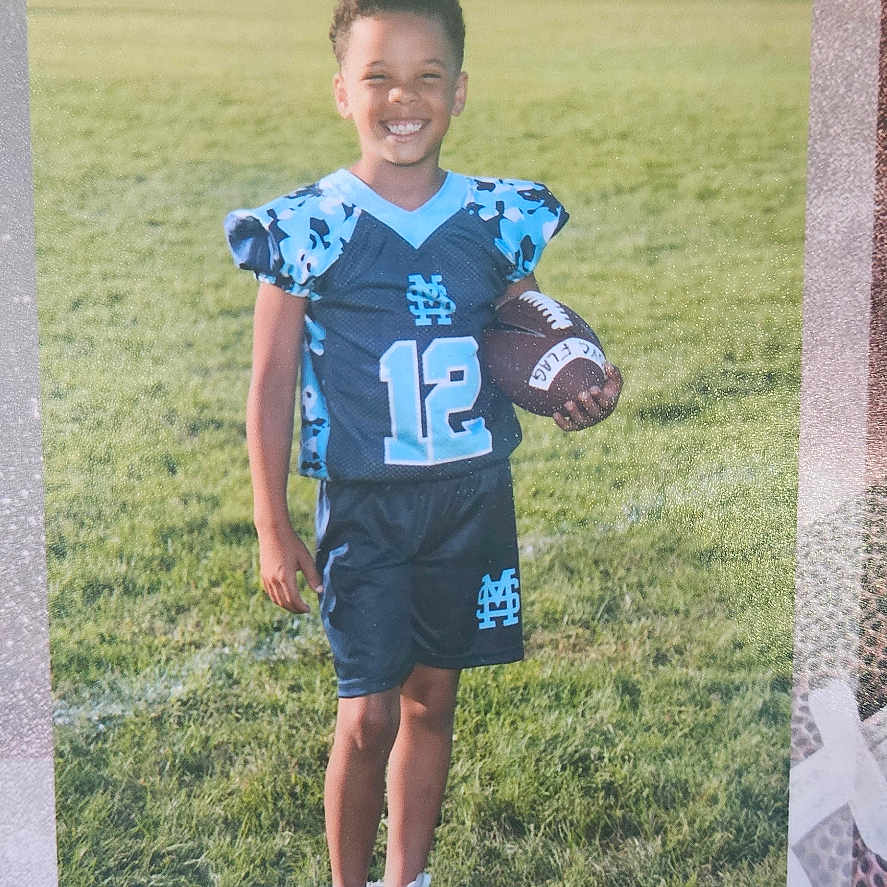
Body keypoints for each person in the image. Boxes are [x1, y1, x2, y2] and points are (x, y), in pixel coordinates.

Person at [223, 2, 622, 885]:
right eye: (378, 78)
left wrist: (577, 387)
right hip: (367, 503)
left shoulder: (494, 216)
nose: (403, 98)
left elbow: (526, 335)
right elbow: (269, 381)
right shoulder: (308, 226)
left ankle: (408, 876)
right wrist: (271, 523)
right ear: (341, 93)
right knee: (365, 715)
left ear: (460, 91)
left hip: (470, 497)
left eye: (426, 77)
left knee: (433, 699)